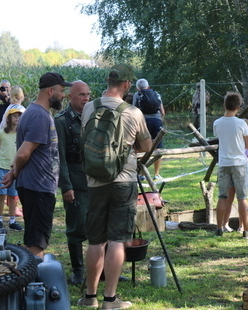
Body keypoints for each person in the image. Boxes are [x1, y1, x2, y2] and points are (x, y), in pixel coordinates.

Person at [78, 64, 151, 310]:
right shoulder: (133, 112)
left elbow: (84, 138)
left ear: (108, 81)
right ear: (127, 84)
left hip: (94, 181)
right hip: (124, 181)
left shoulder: (89, 106)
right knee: (117, 240)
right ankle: (110, 300)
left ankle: (90, 297)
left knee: (96, 241)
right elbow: (147, 145)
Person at [2, 72, 73, 258]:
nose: (63, 95)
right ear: (50, 91)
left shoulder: (33, 112)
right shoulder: (39, 116)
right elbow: (24, 152)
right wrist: (15, 172)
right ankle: (35, 284)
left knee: (33, 237)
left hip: (35, 185)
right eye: (61, 90)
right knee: (37, 243)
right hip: (38, 187)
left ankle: (29, 279)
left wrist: (14, 173)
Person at [54, 80, 91, 285]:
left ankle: (101, 268)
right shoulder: (62, 121)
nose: (86, 98)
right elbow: (60, 158)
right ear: (70, 97)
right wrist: (66, 186)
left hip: (95, 180)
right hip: (75, 181)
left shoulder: (93, 117)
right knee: (76, 227)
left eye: (87, 95)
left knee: (98, 225)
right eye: (81, 95)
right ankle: (77, 270)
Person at [213, 92, 248, 238]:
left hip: (224, 163)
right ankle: (246, 230)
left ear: (224, 105)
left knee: (222, 196)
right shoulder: (242, 123)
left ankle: (219, 229)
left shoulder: (217, 123)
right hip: (239, 163)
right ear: (238, 107)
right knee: (242, 198)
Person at [0, 109, 24, 231]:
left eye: (19, 117)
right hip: (1, 167)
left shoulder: (21, 133)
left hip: (14, 168)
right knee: (2, 194)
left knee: (13, 195)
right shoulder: (1, 133)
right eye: (14, 116)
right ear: (8, 118)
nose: (17, 119)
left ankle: (12, 220)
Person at [133, 78, 165, 179]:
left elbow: (134, 109)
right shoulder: (156, 94)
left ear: (137, 88)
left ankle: (142, 174)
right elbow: (162, 112)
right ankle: (156, 174)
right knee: (157, 147)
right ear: (148, 86)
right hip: (156, 121)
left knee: (142, 147)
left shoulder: (137, 95)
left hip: (143, 122)